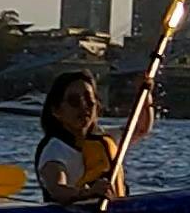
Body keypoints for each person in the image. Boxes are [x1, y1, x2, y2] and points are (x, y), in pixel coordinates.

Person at [31, 69, 151, 204]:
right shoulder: (55, 149)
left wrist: (145, 95)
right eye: (74, 101)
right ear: (57, 111)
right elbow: (57, 189)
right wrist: (89, 193)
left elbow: (140, 128)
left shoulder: (105, 137)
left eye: (89, 100)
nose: (84, 107)